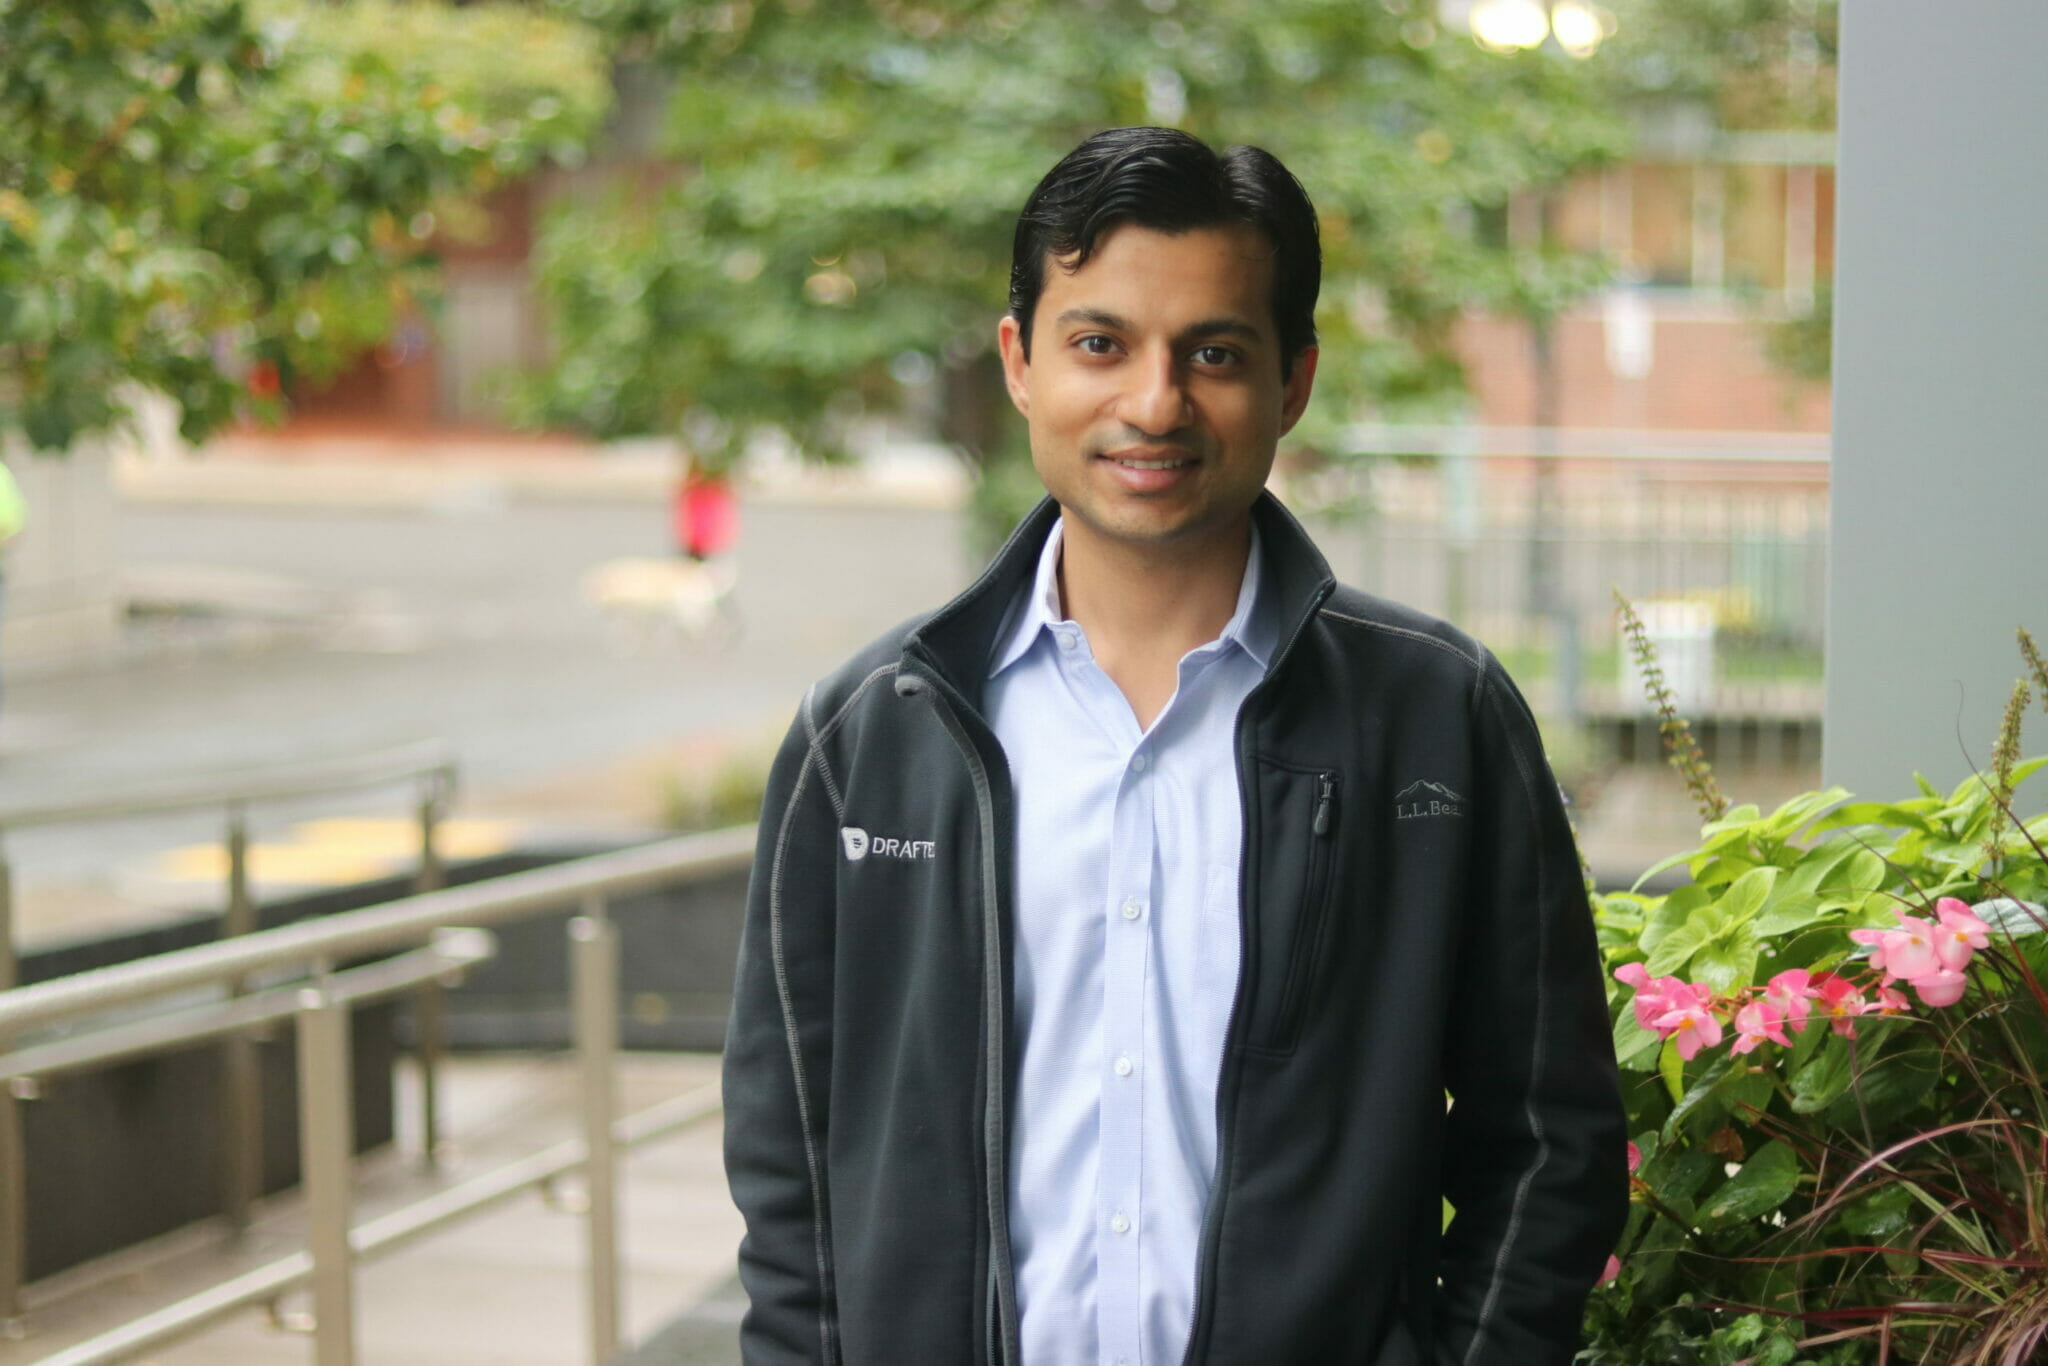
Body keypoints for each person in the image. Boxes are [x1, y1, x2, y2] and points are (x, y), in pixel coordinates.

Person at [723, 126, 1627, 1366]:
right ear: (1020, 363)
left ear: (1291, 381)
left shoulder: (1435, 716)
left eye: (1212, 352)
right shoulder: (874, 728)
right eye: (1099, 344)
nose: (1153, 404)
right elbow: (790, 1160)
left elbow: (1549, 1138)